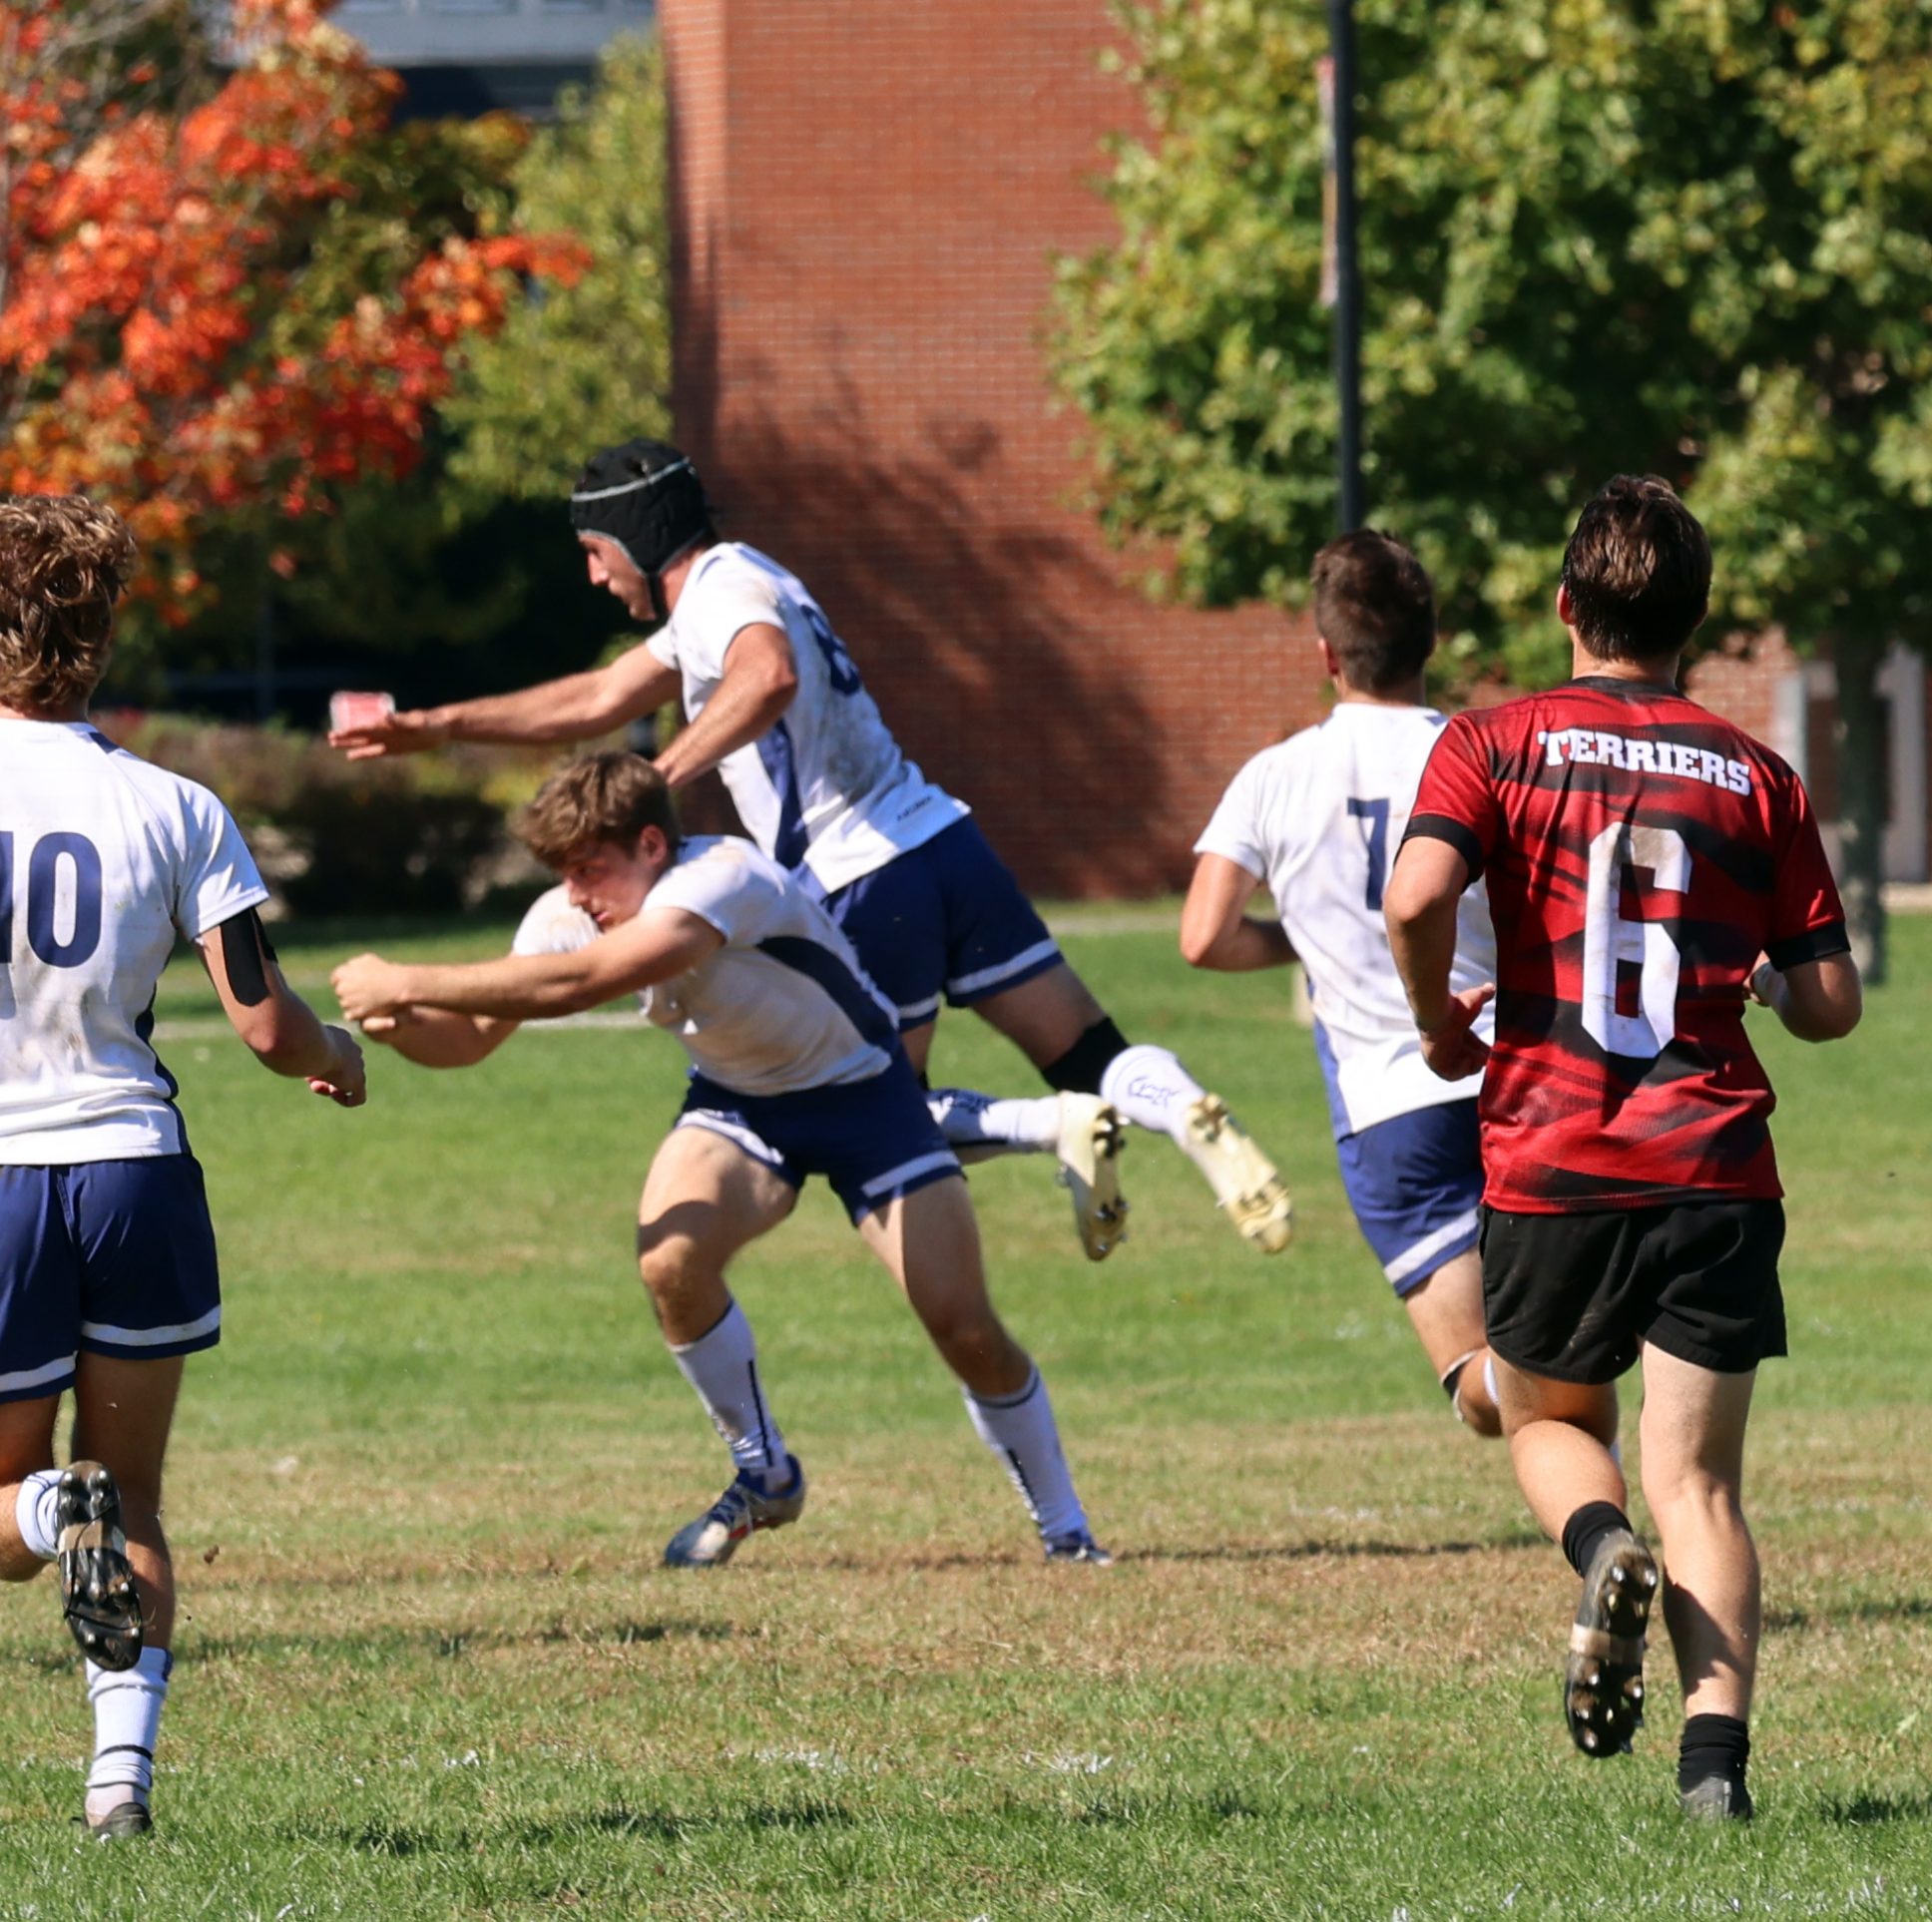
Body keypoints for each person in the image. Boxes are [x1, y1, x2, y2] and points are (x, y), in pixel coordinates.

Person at [0, 495, 367, 1840]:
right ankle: (120, 1781)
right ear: (105, 635)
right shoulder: (177, 806)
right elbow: (268, 1026)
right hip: (133, 1174)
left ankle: (59, 1508)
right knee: (139, 1491)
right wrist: (339, 1056)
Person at [327, 438, 1283, 1258]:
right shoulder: (750, 579)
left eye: (594, 552)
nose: (593, 576)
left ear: (636, 538)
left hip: (861, 876)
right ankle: (1183, 1107)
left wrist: (660, 780)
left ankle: (1055, 1127)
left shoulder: (721, 595)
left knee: (879, 1113)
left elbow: (768, 675)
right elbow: (598, 697)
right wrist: (433, 725)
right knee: (1085, 1048)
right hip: (942, 840)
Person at [1384, 477, 1860, 1820]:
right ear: (1694, 624)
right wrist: (1762, 980)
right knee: (1699, 1480)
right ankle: (1714, 1774)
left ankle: (1601, 1550)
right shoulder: (1758, 774)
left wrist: (1436, 1022)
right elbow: (1831, 1004)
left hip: (1556, 1154)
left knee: (1544, 1415)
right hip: (1713, 1163)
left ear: (1563, 605)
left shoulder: (1491, 741)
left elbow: (1415, 898)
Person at [331, 752, 1113, 1569]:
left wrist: (403, 978)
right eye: (563, 874)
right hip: (741, 1103)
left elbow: (583, 983)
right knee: (670, 1261)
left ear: (651, 846)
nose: (575, 895)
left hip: (866, 1096)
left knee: (962, 1324)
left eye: (590, 870)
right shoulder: (570, 916)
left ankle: (1065, 1531)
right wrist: (401, 1026)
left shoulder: (724, 877)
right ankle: (764, 1474)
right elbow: (466, 1041)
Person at [1181, 532, 1505, 1435]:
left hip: (1391, 1107)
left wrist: (1315, 940)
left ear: (1328, 655)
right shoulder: (1485, 753)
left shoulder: (1275, 777)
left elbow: (1204, 938)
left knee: (1484, 1387)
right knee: (1554, 1339)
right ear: (1433, 641)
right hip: (1516, 1075)